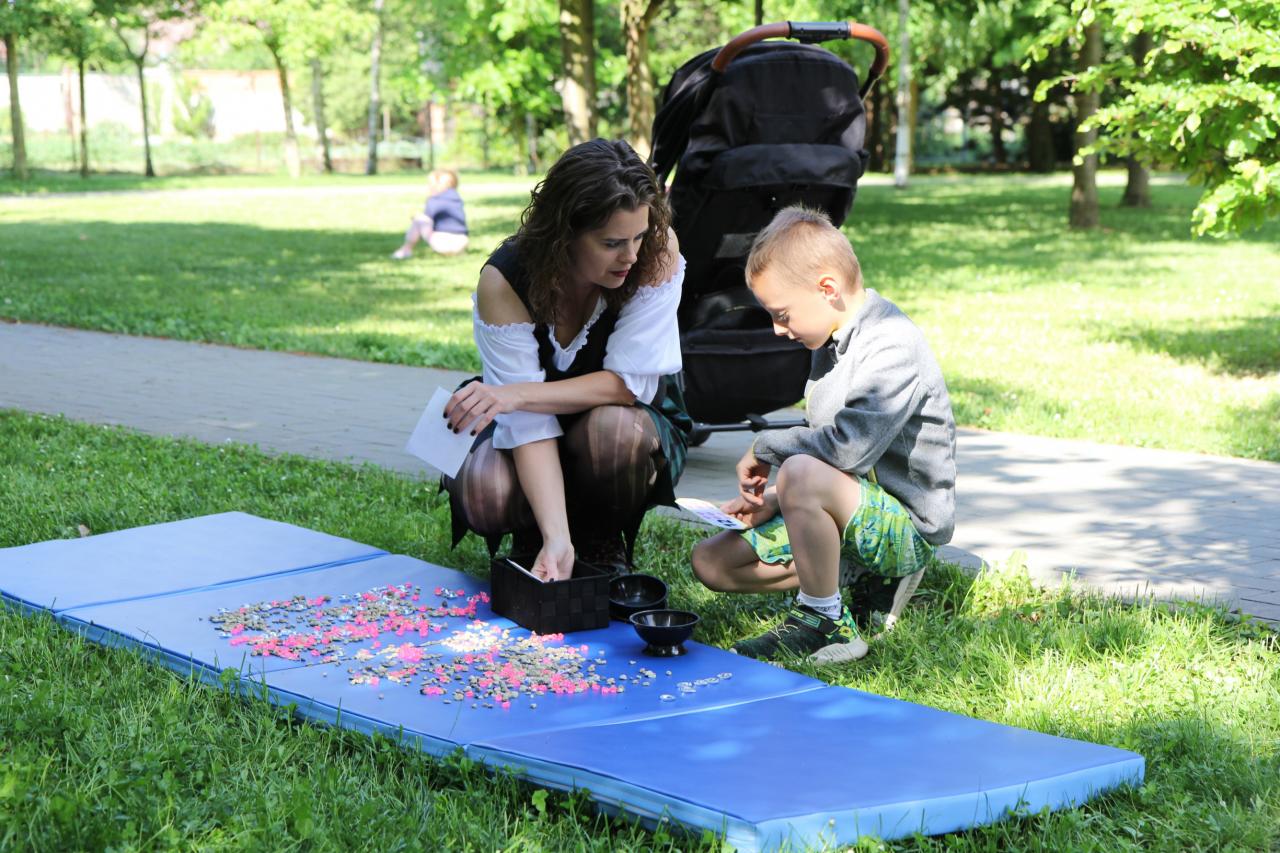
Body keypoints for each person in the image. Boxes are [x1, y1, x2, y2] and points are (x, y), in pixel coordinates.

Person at [690, 205, 956, 664]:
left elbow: (847, 450)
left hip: (906, 531)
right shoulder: (830, 339)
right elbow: (827, 460)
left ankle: (824, 620)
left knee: (798, 471)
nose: (778, 329)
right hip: (850, 508)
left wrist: (766, 448)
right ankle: (851, 579)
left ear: (827, 289)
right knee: (711, 563)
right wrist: (777, 500)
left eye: (782, 314)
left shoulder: (892, 344)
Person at [442, 139, 689, 581]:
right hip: (524, 417)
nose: (631, 256)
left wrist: (516, 394)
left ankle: (601, 538)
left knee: (615, 433)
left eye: (638, 236)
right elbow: (525, 422)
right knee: (485, 488)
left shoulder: (656, 253)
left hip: (619, 417)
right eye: (611, 242)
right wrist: (556, 535)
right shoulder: (505, 281)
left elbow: (626, 386)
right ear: (565, 235)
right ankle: (538, 537)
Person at [391, 169, 469, 259]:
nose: (428, 187)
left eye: (430, 184)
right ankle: (455, 253)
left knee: (419, 219)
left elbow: (427, 218)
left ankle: (406, 250)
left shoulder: (434, 199)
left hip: (443, 242)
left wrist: (414, 217)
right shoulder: (457, 198)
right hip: (463, 242)